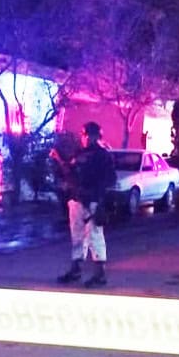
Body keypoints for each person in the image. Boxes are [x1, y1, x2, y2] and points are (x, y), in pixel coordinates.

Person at [54, 121, 116, 288]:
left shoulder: (103, 156)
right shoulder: (79, 153)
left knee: (95, 236)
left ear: (95, 136)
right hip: (76, 200)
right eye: (84, 135)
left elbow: (110, 179)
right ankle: (76, 270)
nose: (85, 138)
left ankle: (100, 274)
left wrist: (95, 194)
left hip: (92, 202)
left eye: (87, 135)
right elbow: (70, 172)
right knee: (77, 236)